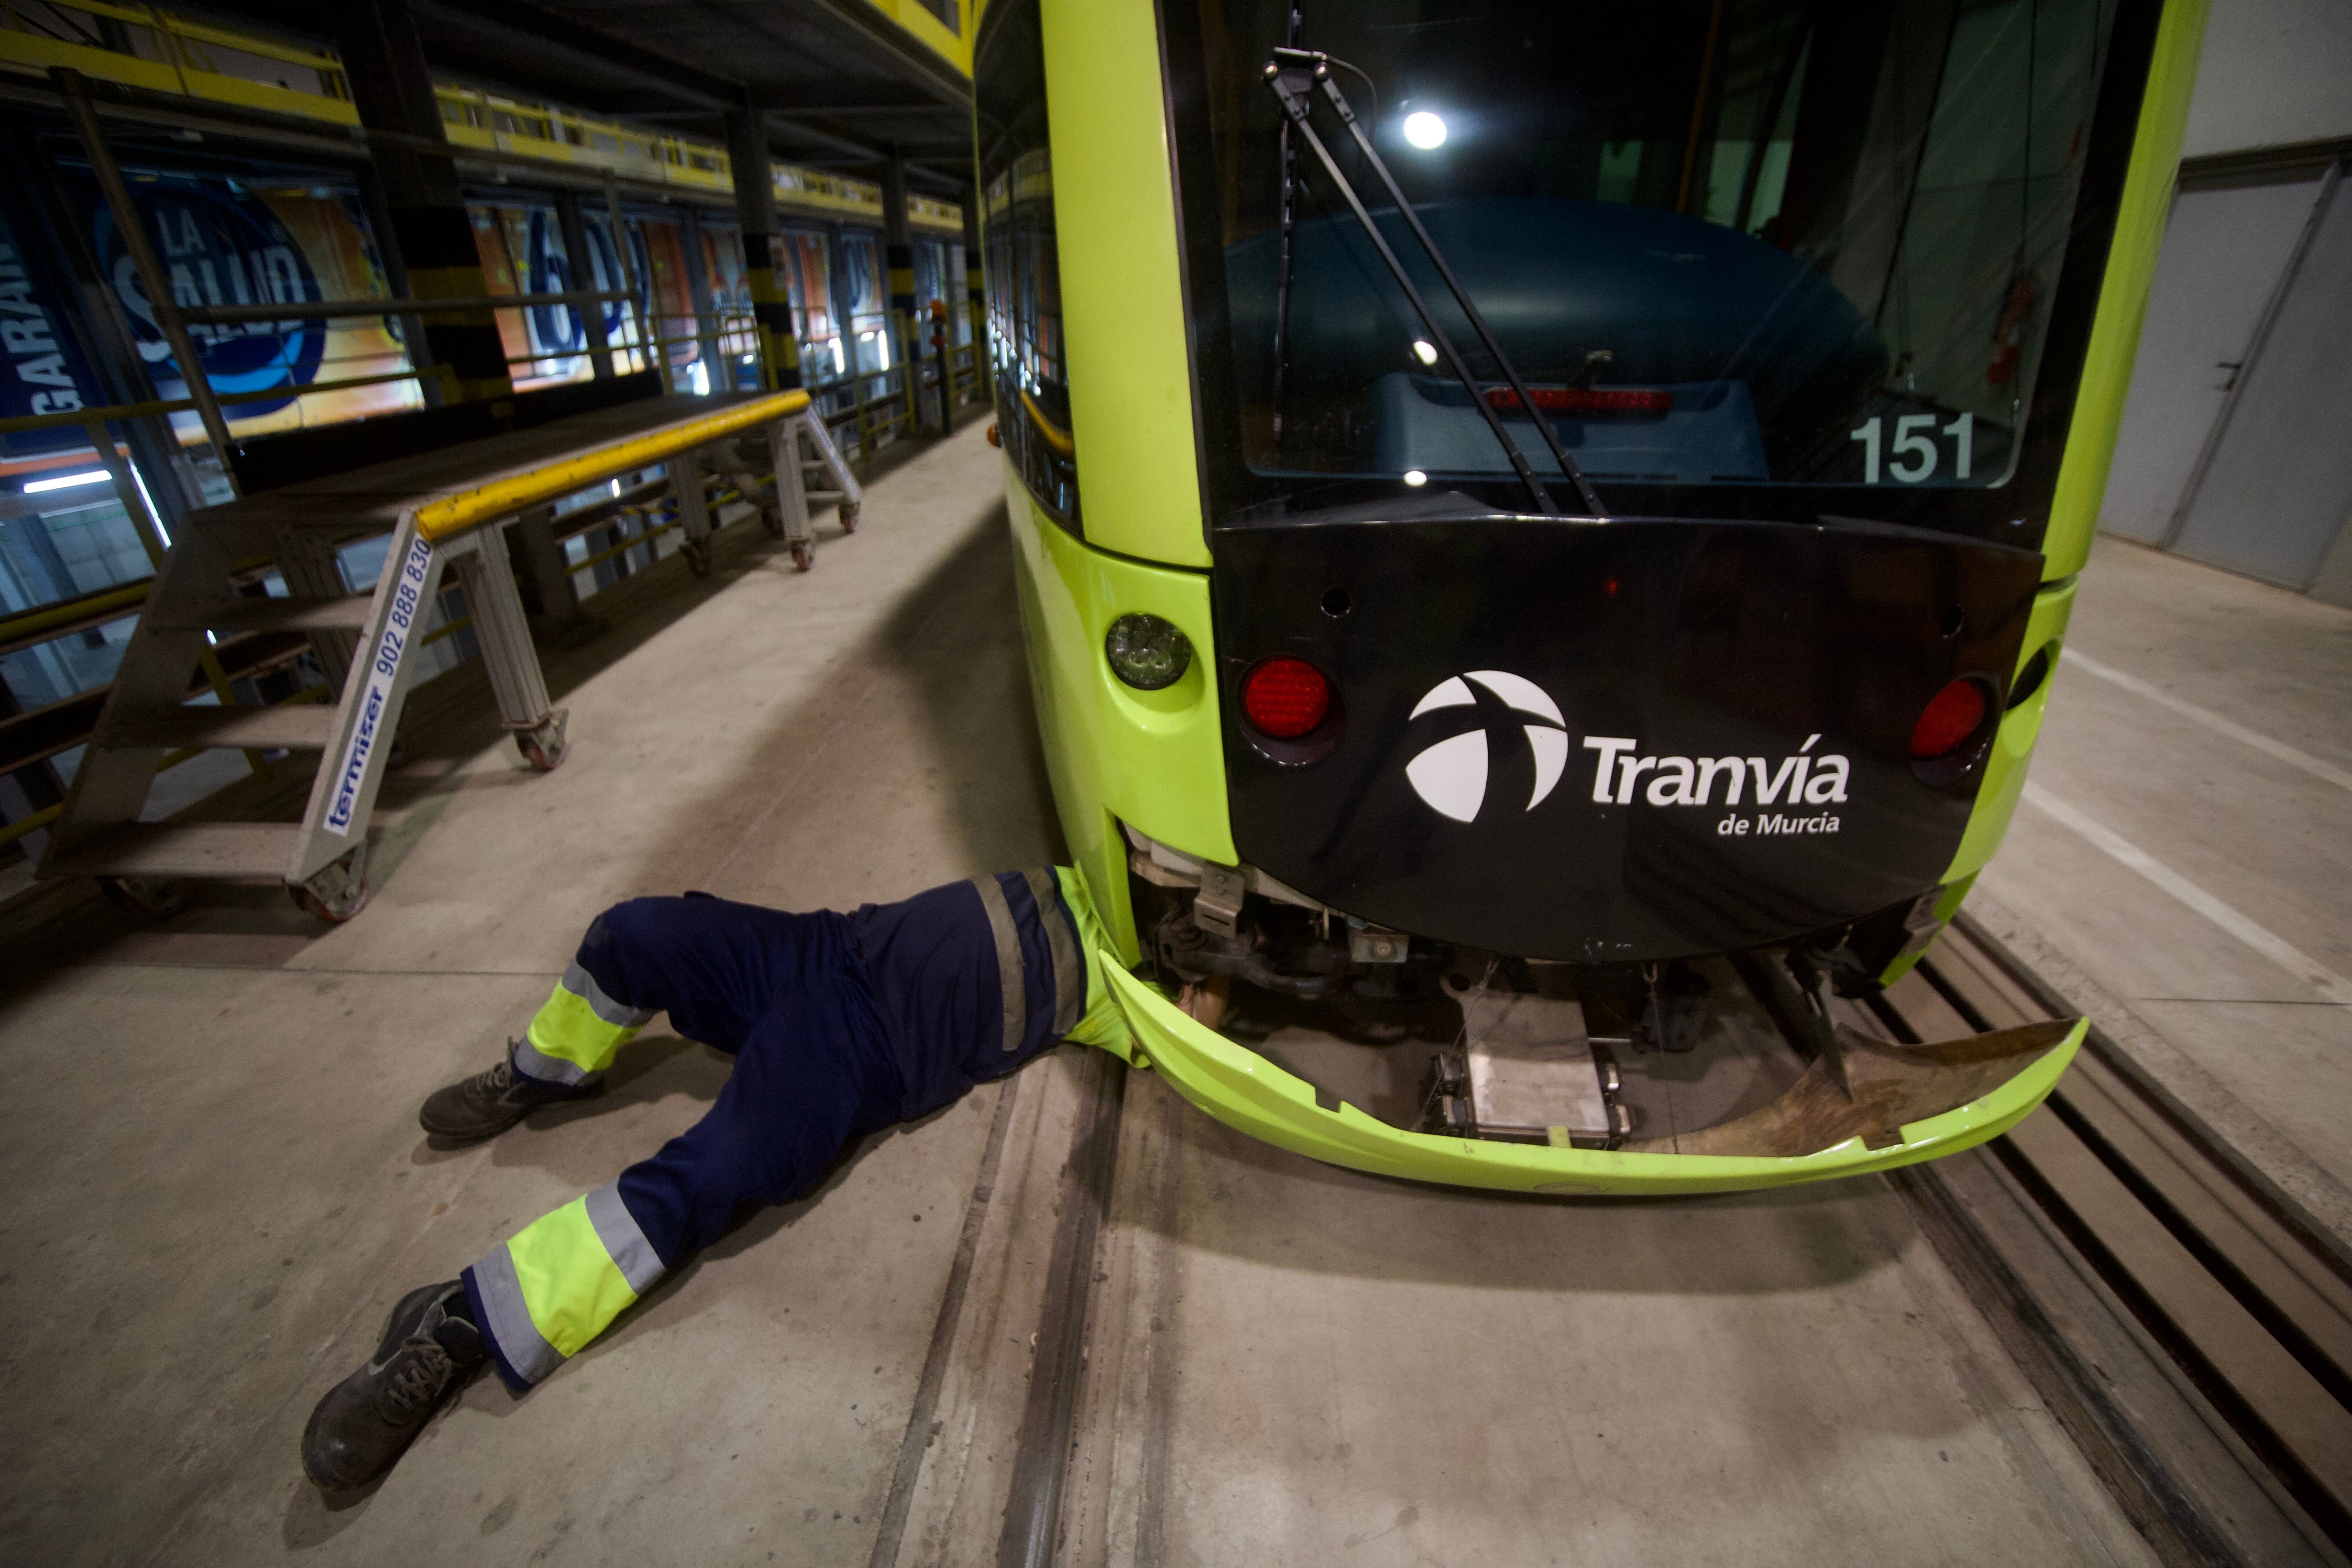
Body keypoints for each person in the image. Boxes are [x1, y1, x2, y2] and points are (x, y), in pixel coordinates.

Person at [301, 868, 1131, 1491]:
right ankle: (544, 1070)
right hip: (826, 945)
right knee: (633, 931)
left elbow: (1217, 1052)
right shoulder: (1114, 843)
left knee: (723, 1170)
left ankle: (464, 1320)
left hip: (861, 1054)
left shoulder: (1144, 1005)